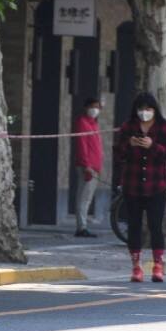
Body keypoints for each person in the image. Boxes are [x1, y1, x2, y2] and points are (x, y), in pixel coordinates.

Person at [115, 93, 166, 283]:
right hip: (132, 184)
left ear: (155, 110)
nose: (145, 113)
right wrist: (129, 144)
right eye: (141, 109)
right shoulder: (128, 127)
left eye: (148, 109)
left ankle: (157, 265)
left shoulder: (163, 127)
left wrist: (153, 146)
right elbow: (118, 153)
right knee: (133, 226)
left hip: (156, 185)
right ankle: (136, 266)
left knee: (155, 225)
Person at [72, 98, 105, 238]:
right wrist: (86, 165)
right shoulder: (82, 123)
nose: (95, 110)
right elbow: (82, 145)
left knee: (87, 198)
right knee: (83, 198)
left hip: (95, 166)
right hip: (88, 166)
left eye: (97, 107)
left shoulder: (94, 125)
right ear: (86, 107)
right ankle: (81, 227)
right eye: (92, 106)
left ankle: (83, 225)